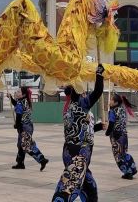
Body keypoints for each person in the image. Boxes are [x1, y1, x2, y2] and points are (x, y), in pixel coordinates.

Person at [51, 63, 104, 202]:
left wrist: (98, 127)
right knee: (70, 185)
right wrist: (99, 74)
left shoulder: (68, 107)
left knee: (89, 185)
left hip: (70, 150)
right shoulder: (82, 104)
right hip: (79, 152)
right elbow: (98, 91)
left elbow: (81, 127)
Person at [9, 86, 49, 170]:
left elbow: (19, 117)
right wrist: (11, 98)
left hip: (24, 127)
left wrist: (16, 125)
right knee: (20, 144)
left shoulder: (20, 103)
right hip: (28, 126)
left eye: (18, 91)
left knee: (26, 145)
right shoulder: (25, 101)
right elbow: (15, 104)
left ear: (23, 94)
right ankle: (20, 163)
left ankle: (42, 160)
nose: (16, 92)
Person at [105, 93, 137, 179]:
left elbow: (111, 123)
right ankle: (132, 168)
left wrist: (107, 132)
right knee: (123, 153)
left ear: (115, 102)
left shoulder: (112, 111)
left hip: (116, 136)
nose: (109, 101)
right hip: (124, 135)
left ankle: (127, 172)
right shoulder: (122, 109)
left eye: (111, 99)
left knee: (118, 155)